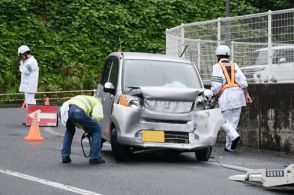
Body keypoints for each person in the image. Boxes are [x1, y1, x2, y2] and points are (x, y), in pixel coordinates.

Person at [211, 45, 253, 152]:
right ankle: (229, 147)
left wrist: (215, 95)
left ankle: (234, 137)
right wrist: (247, 95)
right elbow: (243, 82)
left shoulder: (217, 66)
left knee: (222, 120)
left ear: (218, 56)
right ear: (228, 55)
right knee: (233, 122)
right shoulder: (235, 65)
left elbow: (216, 85)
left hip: (226, 95)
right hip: (238, 95)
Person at [60, 95, 105, 164]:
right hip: (77, 112)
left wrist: (86, 127)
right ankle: (95, 157)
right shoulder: (97, 102)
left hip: (65, 111)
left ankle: (65, 156)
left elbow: (79, 121)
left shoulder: (84, 98)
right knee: (97, 129)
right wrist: (90, 129)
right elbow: (97, 117)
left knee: (70, 131)